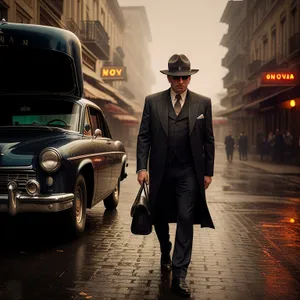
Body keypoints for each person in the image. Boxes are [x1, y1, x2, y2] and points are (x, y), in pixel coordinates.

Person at [136, 54, 215, 298]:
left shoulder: (203, 103)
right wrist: (141, 167)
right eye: (176, 77)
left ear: (190, 78)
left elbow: (208, 139)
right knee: (158, 214)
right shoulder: (152, 102)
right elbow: (144, 136)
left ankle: (179, 274)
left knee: (185, 215)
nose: (180, 81)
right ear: (168, 78)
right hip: (160, 170)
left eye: (184, 77)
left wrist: (208, 172)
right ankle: (164, 248)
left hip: (188, 172)